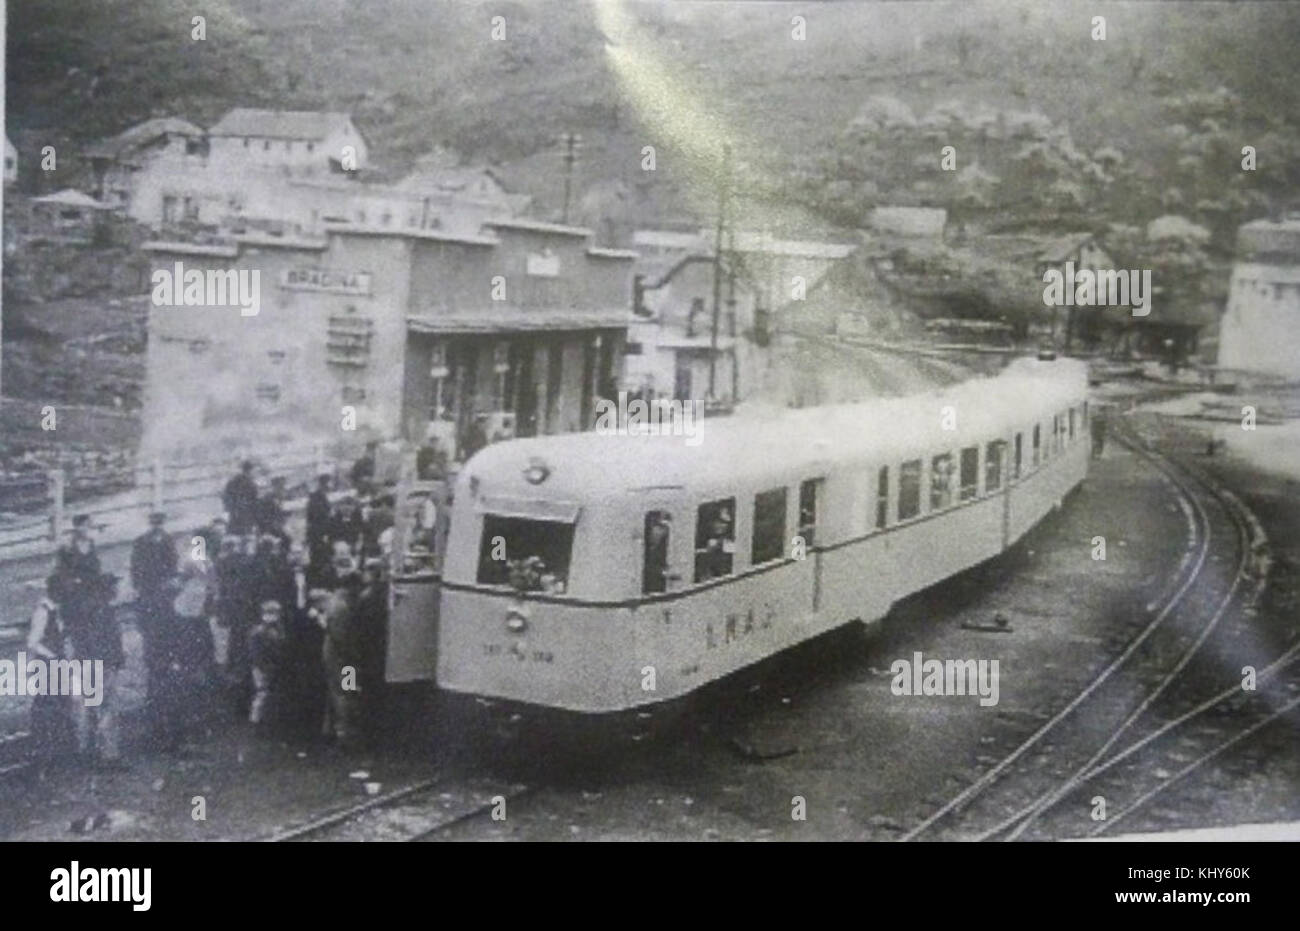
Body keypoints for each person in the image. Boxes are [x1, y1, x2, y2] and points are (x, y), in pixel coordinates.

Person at [65, 573, 126, 768]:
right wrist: (113, 663)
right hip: (101, 666)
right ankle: (109, 756)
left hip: (84, 664)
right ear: (104, 590)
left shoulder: (81, 610)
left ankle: (86, 753)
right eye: (113, 586)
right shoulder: (104, 612)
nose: (116, 590)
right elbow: (105, 642)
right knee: (107, 711)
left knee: (86, 711)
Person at [26, 578, 75, 774]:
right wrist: (53, 656)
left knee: (60, 707)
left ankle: (57, 755)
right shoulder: (43, 612)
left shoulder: (56, 611)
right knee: (49, 709)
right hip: (47, 666)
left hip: (57, 664)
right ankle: (45, 757)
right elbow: (32, 642)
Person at [321, 544, 367, 752]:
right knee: (347, 693)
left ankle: (331, 730)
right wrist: (354, 655)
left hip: (334, 654)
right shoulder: (343, 606)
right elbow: (342, 637)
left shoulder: (336, 601)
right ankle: (346, 735)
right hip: (344, 658)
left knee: (336, 692)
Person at [248, 600, 288, 734]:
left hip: (271, 666)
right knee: (262, 694)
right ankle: (256, 723)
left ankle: (265, 723)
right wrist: (263, 666)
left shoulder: (275, 630)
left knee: (268, 695)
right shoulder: (259, 631)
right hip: (262, 667)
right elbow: (256, 653)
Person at [222, 460, 260, 536]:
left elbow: (226, 496)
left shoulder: (234, 481)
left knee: (234, 530)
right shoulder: (250, 483)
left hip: (237, 510)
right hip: (244, 511)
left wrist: (229, 507)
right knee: (243, 531)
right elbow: (254, 499)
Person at [306, 474, 333, 572]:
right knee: (318, 555)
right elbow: (315, 515)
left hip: (319, 531)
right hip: (317, 532)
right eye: (326, 484)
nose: (327, 487)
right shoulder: (316, 497)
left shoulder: (321, 496)